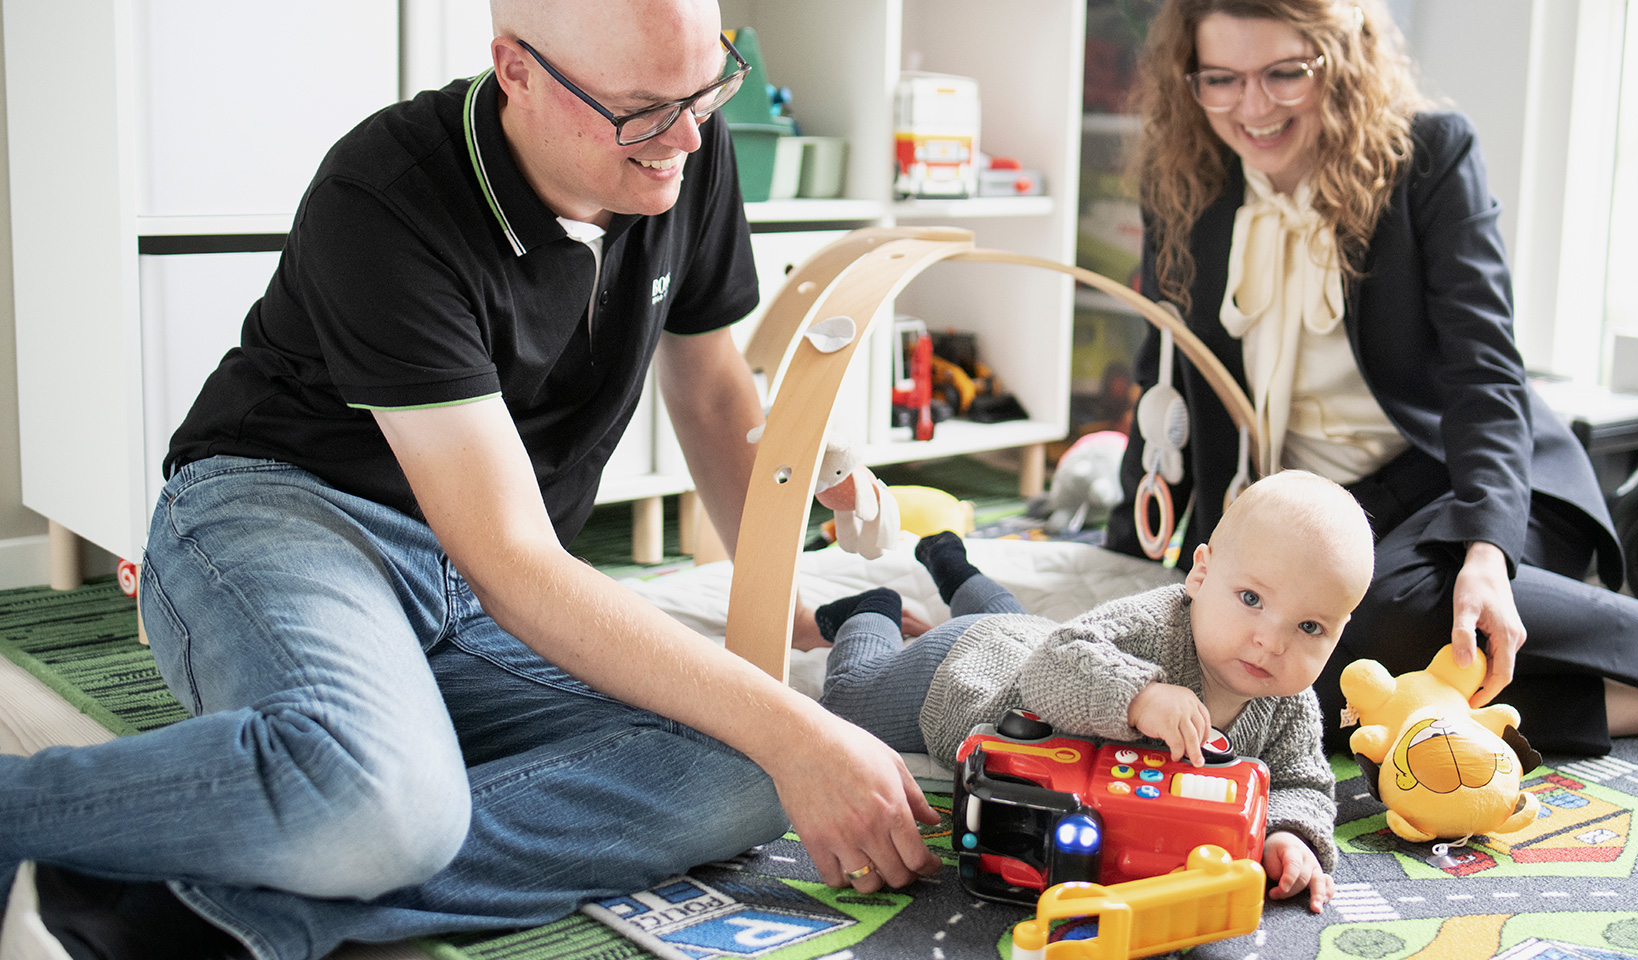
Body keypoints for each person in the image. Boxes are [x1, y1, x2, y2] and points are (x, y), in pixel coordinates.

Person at [0, 1, 941, 957]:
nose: (688, 137)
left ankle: (211, 903)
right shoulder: (386, 195)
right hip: (288, 517)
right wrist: (799, 735)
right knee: (382, 801)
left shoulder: (686, 145)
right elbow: (516, 561)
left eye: (709, 87)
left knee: (749, 765)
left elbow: (709, 395)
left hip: (483, 573)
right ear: (517, 70)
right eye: (646, 110)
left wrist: (782, 596)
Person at [1102, 0, 1638, 766]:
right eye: (1222, 79)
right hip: (1314, 516)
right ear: (1192, 78)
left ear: (1341, 58)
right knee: (1289, 666)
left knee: (1392, 626)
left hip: (1459, 477)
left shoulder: (1428, 153)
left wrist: (1486, 552)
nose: (1253, 107)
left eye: (1286, 72)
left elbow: (1484, 369)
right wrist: (1125, 553)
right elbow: (1163, 372)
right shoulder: (1185, 183)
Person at [815, 471, 1377, 912]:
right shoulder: (1155, 626)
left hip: (1031, 632)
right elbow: (1050, 664)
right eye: (1252, 599)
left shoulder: (1291, 705)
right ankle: (871, 611)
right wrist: (1140, 697)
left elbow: (1305, 782)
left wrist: (1287, 833)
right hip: (966, 671)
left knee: (1024, 620)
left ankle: (952, 564)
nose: (1270, 642)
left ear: (1338, 633)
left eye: (1309, 628)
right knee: (842, 708)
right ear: (1200, 574)